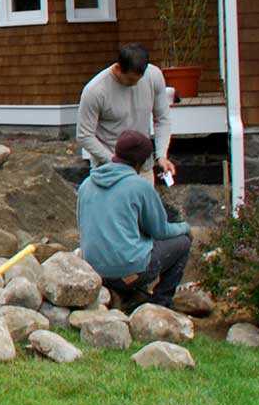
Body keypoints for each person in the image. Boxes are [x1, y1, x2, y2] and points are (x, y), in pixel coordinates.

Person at [77, 130, 191, 310]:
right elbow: (160, 231)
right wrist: (184, 227)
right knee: (183, 242)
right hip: (130, 271)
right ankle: (160, 304)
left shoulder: (87, 184)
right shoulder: (140, 187)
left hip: (94, 271)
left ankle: (128, 297)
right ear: (141, 162)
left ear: (116, 153)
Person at [78, 42, 174, 183]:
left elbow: (162, 119)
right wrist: (114, 161)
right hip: (108, 171)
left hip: (143, 169)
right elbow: (84, 135)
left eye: (138, 79)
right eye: (130, 80)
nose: (135, 84)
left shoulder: (154, 76)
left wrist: (162, 155)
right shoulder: (95, 90)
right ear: (118, 68)